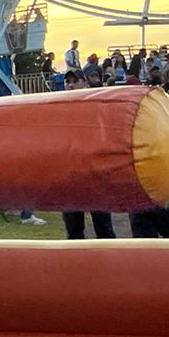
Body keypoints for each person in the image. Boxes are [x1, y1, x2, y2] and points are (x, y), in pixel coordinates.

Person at [59, 71, 116, 239]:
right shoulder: (59, 108)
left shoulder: (96, 105)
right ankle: (74, 264)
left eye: (75, 81)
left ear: (84, 83)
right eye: (67, 81)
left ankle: (109, 262)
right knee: (73, 229)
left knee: (103, 227)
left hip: (95, 173)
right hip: (70, 176)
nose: (70, 85)